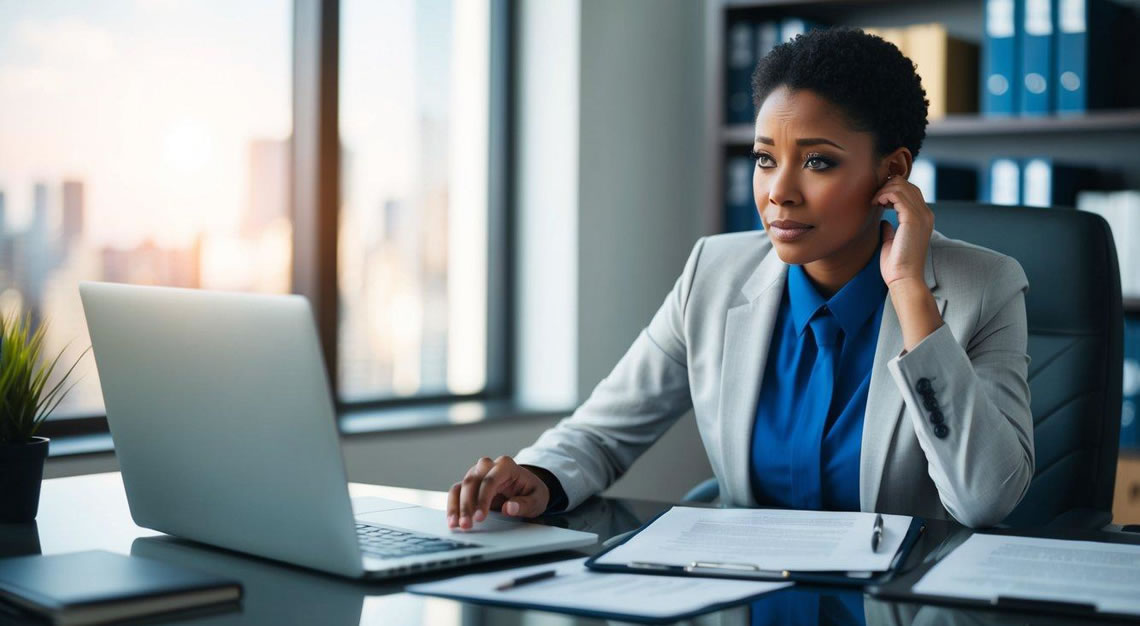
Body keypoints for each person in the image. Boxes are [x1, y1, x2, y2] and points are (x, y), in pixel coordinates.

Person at [446, 27, 1033, 531]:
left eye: (817, 161)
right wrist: (538, 477)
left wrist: (909, 290)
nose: (778, 191)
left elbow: (984, 500)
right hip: (743, 596)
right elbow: (601, 435)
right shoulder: (715, 273)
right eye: (763, 158)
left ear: (893, 171)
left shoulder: (984, 287)